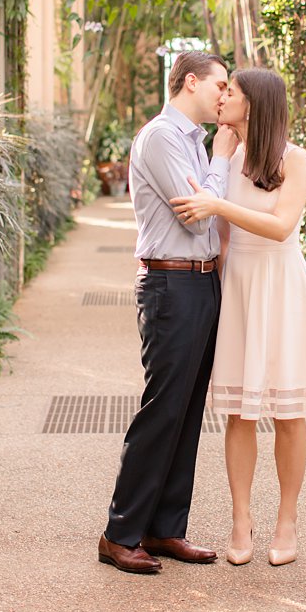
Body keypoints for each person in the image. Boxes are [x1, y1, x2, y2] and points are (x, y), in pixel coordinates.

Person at [168, 67, 306, 567]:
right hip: (238, 286)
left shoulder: (295, 158)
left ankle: (287, 521)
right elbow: (218, 236)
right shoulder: (224, 154)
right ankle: (241, 519)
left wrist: (218, 204)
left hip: (281, 289)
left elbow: (282, 227)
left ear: (255, 104)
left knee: (287, 412)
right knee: (239, 412)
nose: (222, 98)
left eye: (231, 92)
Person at [99, 50, 234, 575]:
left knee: (187, 410)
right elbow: (197, 211)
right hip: (169, 282)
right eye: (220, 85)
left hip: (200, 283)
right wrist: (222, 158)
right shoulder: (160, 136)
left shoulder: (191, 142)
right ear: (191, 82)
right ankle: (119, 533)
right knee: (161, 410)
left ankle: (163, 529)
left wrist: (213, 170)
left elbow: (208, 211)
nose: (225, 95)